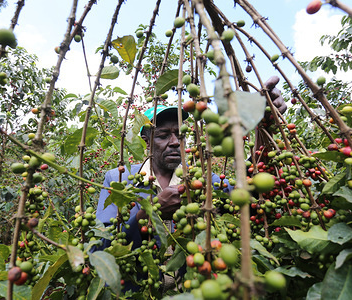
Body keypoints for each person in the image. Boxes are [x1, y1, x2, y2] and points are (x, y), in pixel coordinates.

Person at [95, 77, 287, 250]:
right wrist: (149, 213)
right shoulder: (118, 179)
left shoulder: (200, 179)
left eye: (180, 135)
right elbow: (102, 247)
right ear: (146, 140)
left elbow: (249, 192)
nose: (174, 142)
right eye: (163, 135)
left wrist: (264, 129)